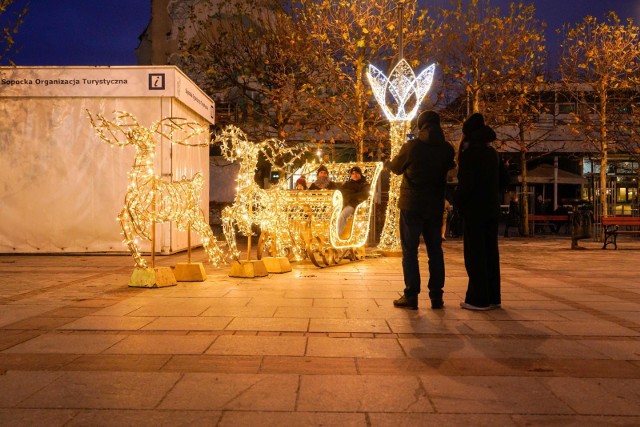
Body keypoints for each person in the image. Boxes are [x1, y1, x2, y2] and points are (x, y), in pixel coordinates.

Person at [390, 110, 456, 310]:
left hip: (412, 205)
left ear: (421, 125)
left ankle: (411, 295)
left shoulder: (412, 147)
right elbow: (450, 166)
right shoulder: (447, 149)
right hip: (434, 206)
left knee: (410, 251)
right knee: (435, 251)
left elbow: (396, 168)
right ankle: (437, 296)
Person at [454, 112, 505, 311]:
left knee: (475, 254)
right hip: (491, 208)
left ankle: (478, 298)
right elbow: (505, 180)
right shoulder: (492, 153)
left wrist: (456, 201)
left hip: (474, 210)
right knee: (491, 253)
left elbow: (466, 184)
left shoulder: (469, 154)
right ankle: (494, 297)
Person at [338, 166, 370, 236]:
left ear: (360, 174)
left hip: (354, 205)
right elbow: (340, 191)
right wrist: (351, 193)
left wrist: (350, 195)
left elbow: (364, 195)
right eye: (353, 173)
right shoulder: (347, 183)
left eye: (356, 173)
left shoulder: (364, 184)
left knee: (343, 215)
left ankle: (337, 234)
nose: (354, 175)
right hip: (344, 204)